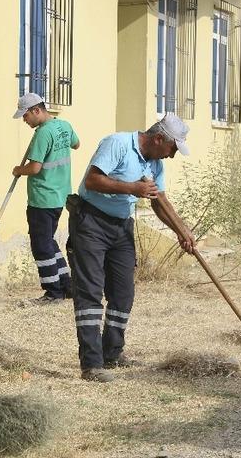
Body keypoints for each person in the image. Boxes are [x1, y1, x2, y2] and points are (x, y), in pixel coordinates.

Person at [67, 114, 195, 383]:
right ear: (159, 138)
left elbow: (159, 200)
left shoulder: (155, 163)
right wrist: (132, 188)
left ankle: (112, 354)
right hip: (90, 222)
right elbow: (92, 180)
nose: (172, 155)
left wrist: (182, 231)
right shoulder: (118, 144)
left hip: (121, 227)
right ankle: (91, 365)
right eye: (172, 148)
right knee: (90, 293)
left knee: (123, 293)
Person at [12, 93, 80, 304]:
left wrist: (18, 170)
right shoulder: (64, 126)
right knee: (49, 241)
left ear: (36, 110)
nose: (24, 121)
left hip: (42, 198)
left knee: (41, 246)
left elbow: (35, 167)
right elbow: (76, 145)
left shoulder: (42, 134)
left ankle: (53, 292)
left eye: (25, 116)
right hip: (61, 196)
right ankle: (67, 285)